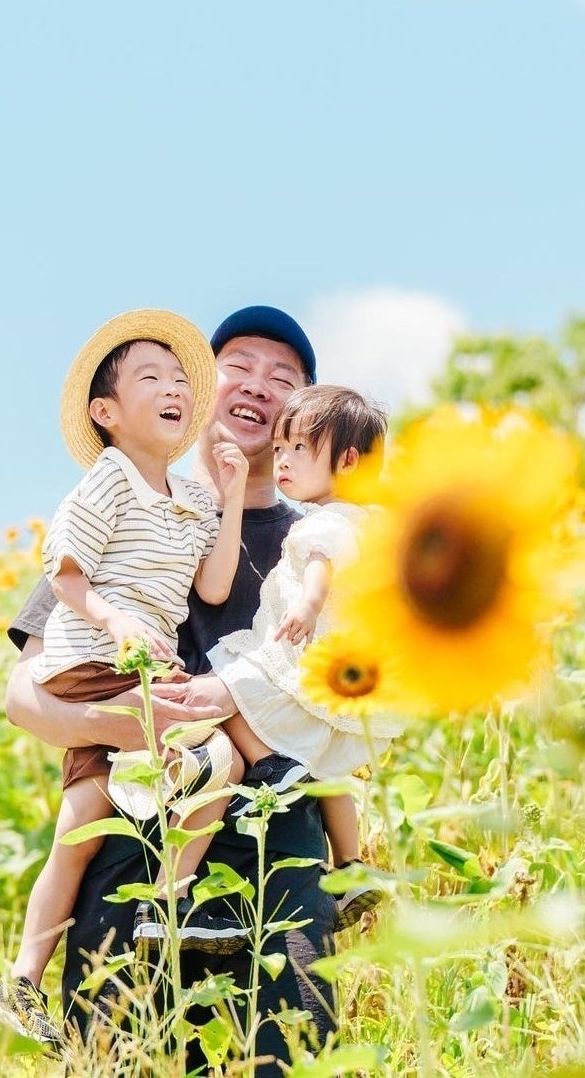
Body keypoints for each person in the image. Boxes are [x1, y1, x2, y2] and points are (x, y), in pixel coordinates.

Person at [2, 306, 339, 1069]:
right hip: (129, 853)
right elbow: (22, 696)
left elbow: (350, 689)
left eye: (283, 377)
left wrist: (235, 697)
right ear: (197, 388)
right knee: (122, 1058)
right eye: (238, 366)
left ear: (304, 412)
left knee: (289, 1056)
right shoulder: (124, 505)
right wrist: (118, 724)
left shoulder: (320, 543)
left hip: (274, 857)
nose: (257, 384)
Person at [0, 308, 249, 1044]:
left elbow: (216, 585)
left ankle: (23, 980)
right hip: (93, 663)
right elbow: (64, 573)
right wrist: (118, 620)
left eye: (180, 379)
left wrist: (229, 497)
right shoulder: (110, 478)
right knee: (216, 754)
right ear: (106, 412)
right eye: (150, 377)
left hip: (117, 669)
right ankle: (165, 910)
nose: (174, 389)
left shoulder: (190, 500)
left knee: (79, 830)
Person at [207, 383, 402, 928]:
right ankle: (353, 864)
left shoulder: (326, 522)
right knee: (332, 771)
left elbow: (321, 563)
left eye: (298, 449)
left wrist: (308, 606)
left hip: (297, 658)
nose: (282, 459)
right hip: (345, 680)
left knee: (229, 695)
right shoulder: (376, 521)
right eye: (281, 447)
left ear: (347, 461)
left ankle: (271, 770)